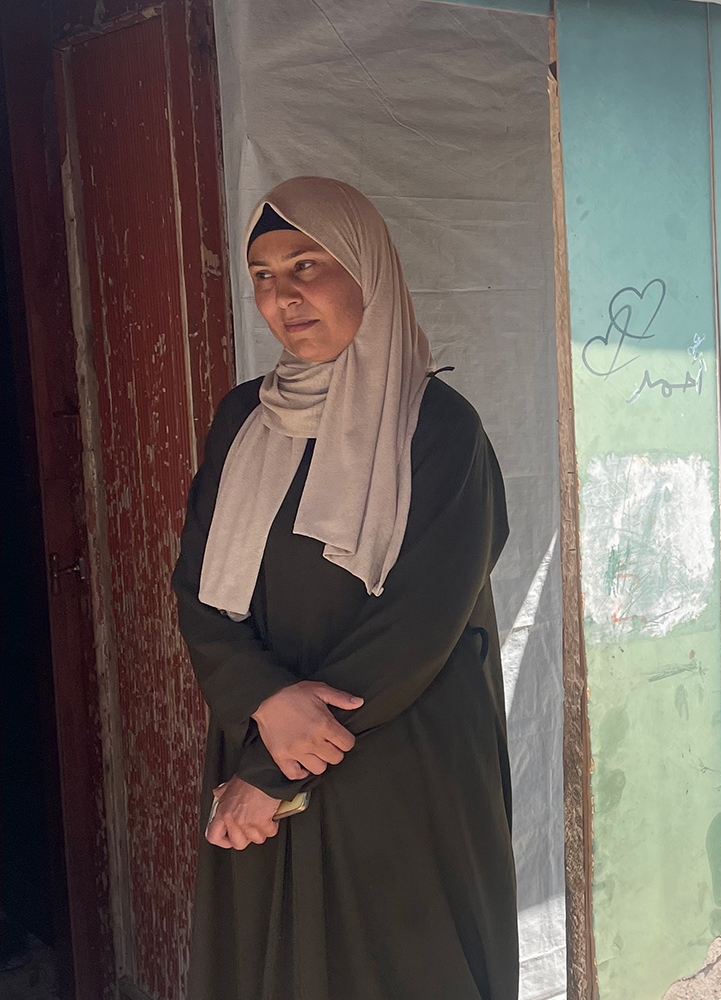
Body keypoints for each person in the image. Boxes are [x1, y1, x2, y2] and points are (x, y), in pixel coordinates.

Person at [172, 176, 518, 1000]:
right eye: (262, 274)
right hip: (261, 729)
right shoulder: (240, 422)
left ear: (367, 271)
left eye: (307, 265)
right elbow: (198, 587)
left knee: (403, 963)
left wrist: (276, 769)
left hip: (399, 758)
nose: (283, 296)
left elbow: (421, 623)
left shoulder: (438, 428)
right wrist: (264, 703)